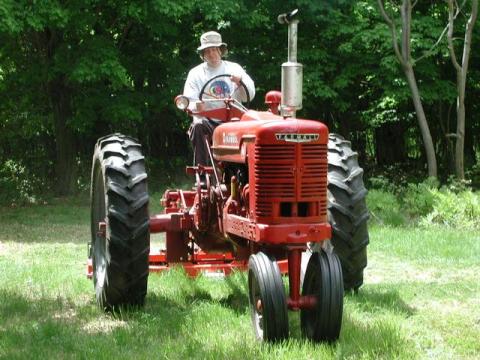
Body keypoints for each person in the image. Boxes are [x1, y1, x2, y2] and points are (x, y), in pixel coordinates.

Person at [183, 31, 255, 167]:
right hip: (208, 123)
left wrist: (241, 83)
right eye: (208, 51)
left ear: (221, 50)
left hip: (233, 122)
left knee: (252, 131)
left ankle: (247, 175)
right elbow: (189, 101)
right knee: (197, 126)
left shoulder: (235, 68)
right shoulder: (195, 74)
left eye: (215, 49)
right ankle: (203, 172)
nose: (211, 54)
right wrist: (197, 107)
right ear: (203, 54)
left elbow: (250, 95)